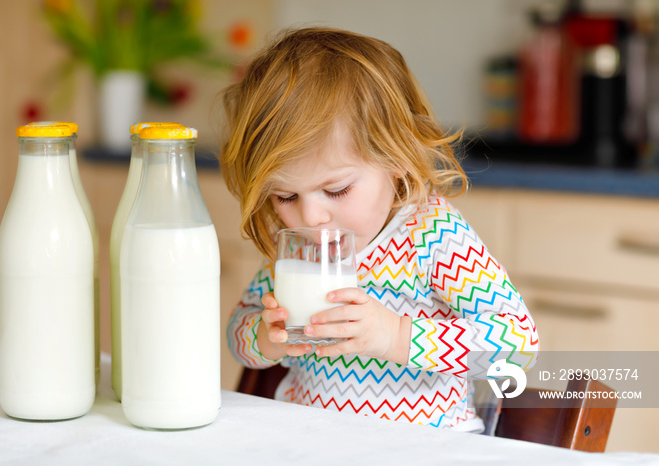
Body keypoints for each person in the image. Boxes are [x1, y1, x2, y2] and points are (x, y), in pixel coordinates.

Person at [219, 27, 538, 431]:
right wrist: (265, 339)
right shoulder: (299, 249)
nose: (310, 217)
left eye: (336, 189)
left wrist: (397, 336)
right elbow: (238, 332)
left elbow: (517, 343)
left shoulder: (431, 234)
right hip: (309, 441)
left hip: (428, 447)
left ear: (397, 157)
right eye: (284, 197)